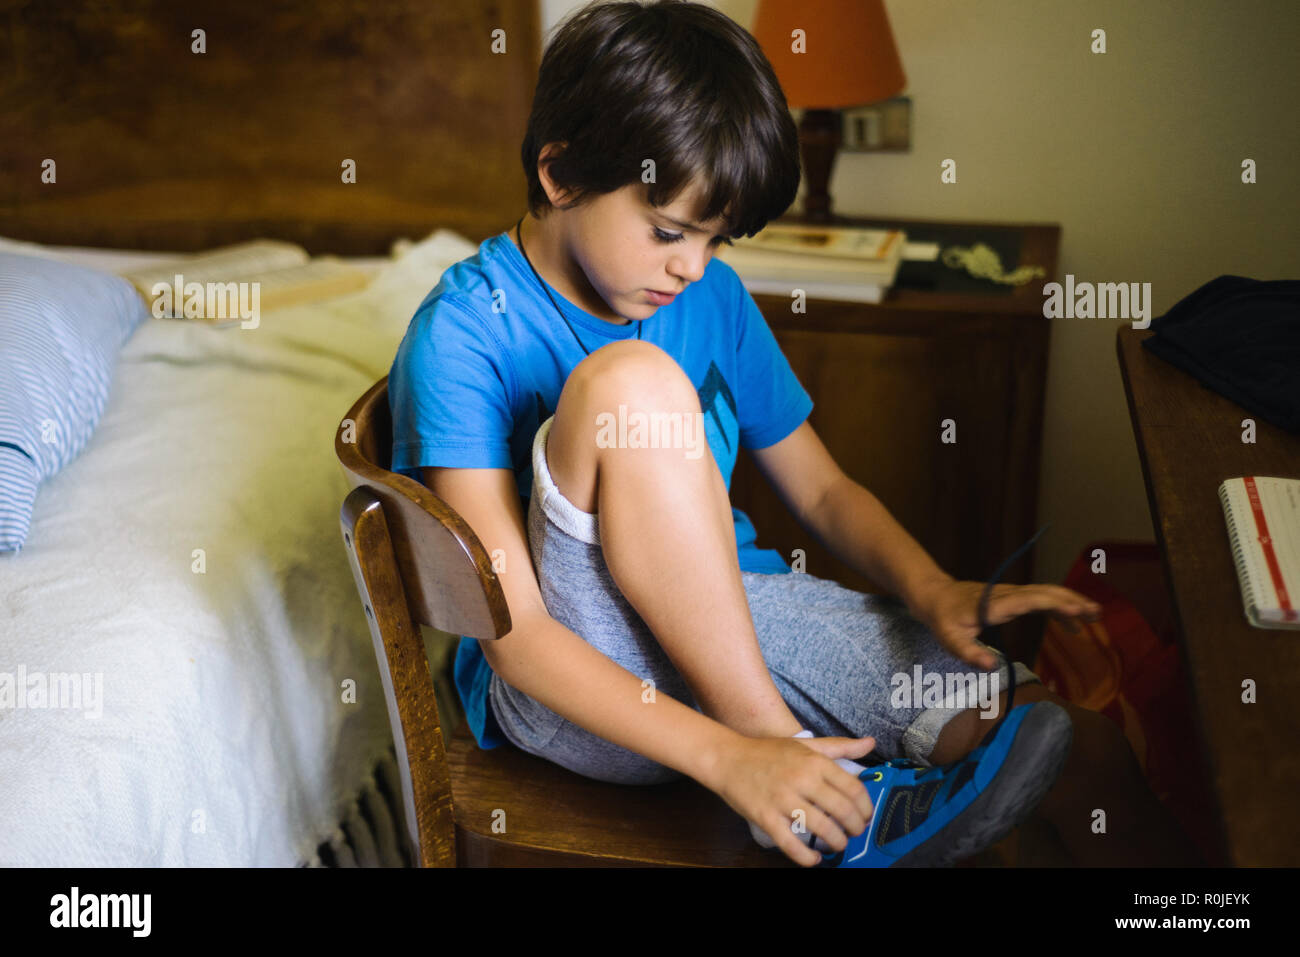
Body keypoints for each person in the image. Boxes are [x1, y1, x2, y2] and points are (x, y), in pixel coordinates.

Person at [388, 0, 1200, 867]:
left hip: (739, 621)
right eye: (668, 232)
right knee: (632, 385)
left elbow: (821, 489)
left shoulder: (709, 297)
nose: (691, 267)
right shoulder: (465, 333)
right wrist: (736, 754)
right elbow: (517, 642)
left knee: (1068, 746)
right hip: (575, 683)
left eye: (717, 239)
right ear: (558, 174)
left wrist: (931, 588)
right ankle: (806, 780)